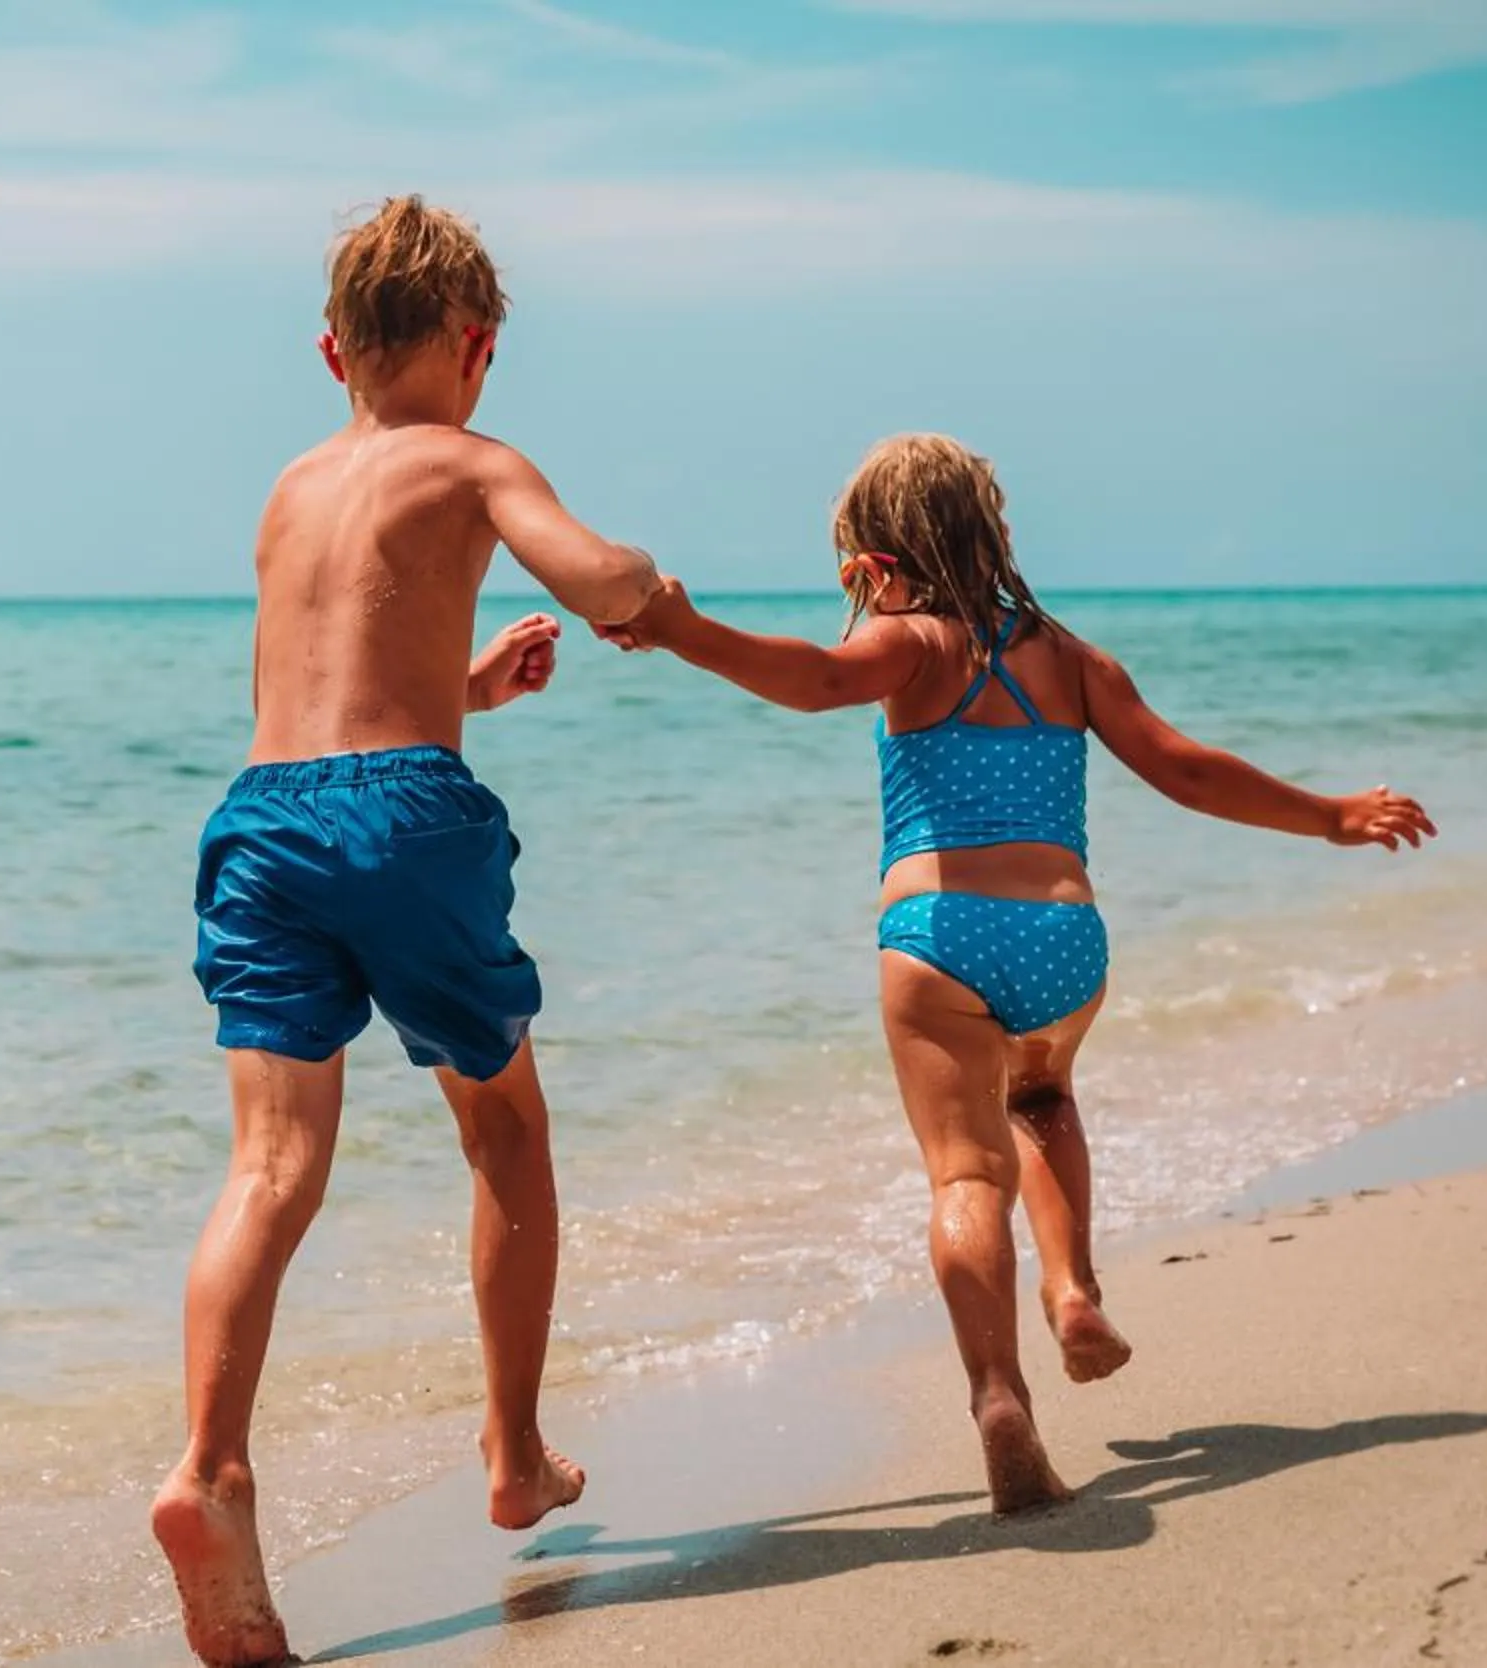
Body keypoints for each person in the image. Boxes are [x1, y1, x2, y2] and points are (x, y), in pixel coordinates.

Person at [604, 432, 1434, 1512]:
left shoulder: (909, 643)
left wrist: (678, 629)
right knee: (1042, 1096)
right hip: (1064, 938)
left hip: (939, 935)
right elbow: (1184, 770)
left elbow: (810, 678)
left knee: (965, 1177)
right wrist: (1328, 817)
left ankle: (1000, 1396)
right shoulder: (1075, 659)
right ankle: (1074, 1287)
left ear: (878, 558)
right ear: (990, 535)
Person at [155, 196, 663, 1666]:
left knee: (270, 1166)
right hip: (404, 819)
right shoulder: (475, 457)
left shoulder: (288, 490)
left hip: (261, 816)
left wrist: (472, 689)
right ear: (478, 343)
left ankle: (210, 1470)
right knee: (504, 1128)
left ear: (332, 353)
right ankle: (513, 1455)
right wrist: (642, 592)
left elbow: (312, 686)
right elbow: (595, 577)